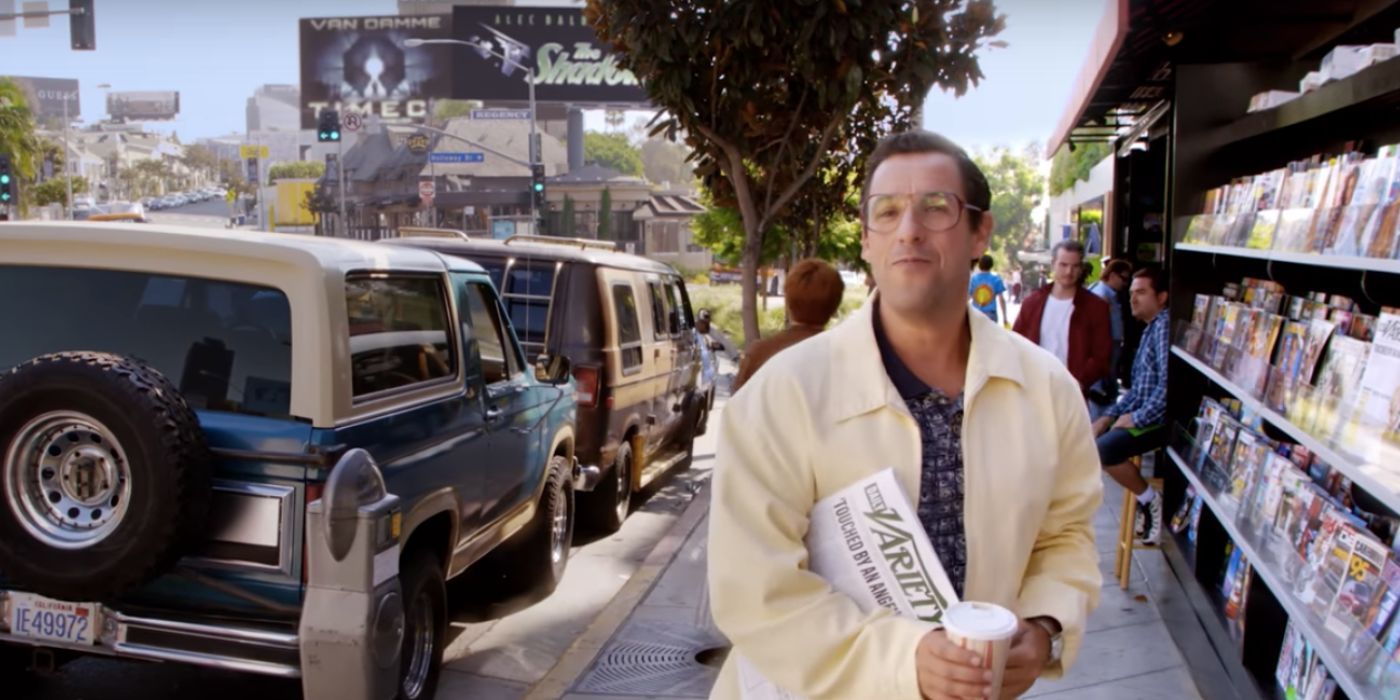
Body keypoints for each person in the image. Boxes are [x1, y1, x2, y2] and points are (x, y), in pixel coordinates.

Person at [708, 130, 1102, 700]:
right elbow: (754, 587)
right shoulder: (783, 395)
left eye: (936, 208)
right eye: (887, 212)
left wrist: (1043, 625)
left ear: (979, 232)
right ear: (866, 240)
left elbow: (1066, 534)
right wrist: (906, 660)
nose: (909, 229)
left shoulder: (1046, 391)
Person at [1093, 267, 1170, 544]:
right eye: (1131, 293)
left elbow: (1166, 388)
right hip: (1146, 414)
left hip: (1162, 421)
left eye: (1141, 293)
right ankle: (1144, 498)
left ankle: (1150, 500)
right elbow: (1139, 389)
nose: (1132, 299)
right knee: (1098, 438)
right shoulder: (1151, 328)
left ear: (1161, 297)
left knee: (1105, 449)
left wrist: (1136, 419)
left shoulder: (1164, 328)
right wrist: (1107, 417)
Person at [1011, 240, 1113, 394]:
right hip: (1034, 389)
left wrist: (1080, 381)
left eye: (1075, 266)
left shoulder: (1095, 307)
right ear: (1053, 264)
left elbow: (1102, 354)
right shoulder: (1032, 303)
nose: (1069, 272)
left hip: (1073, 391)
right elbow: (1015, 343)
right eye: (1063, 265)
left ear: (1081, 268)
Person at [730, 258, 844, 393]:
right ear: (835, 305)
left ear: (787, 301)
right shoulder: (845, 361)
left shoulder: (758, 354)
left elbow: (736, 409)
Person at [1087, 259, 1133, 416]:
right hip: (1106, 344)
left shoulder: (1104, 292)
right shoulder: (1102, 294)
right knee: (1104, 385)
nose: (1125, 284)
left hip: (1110, 343)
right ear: (1112, 275)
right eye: (1124, 278)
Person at [968, 254, 1009, 325]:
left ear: (979, 265)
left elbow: (967, 297)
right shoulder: (996, 279)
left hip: (975, 314)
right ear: (991, 265)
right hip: (991, 314)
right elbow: (1001, 299)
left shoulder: (973, 279)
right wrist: (1005, 317)